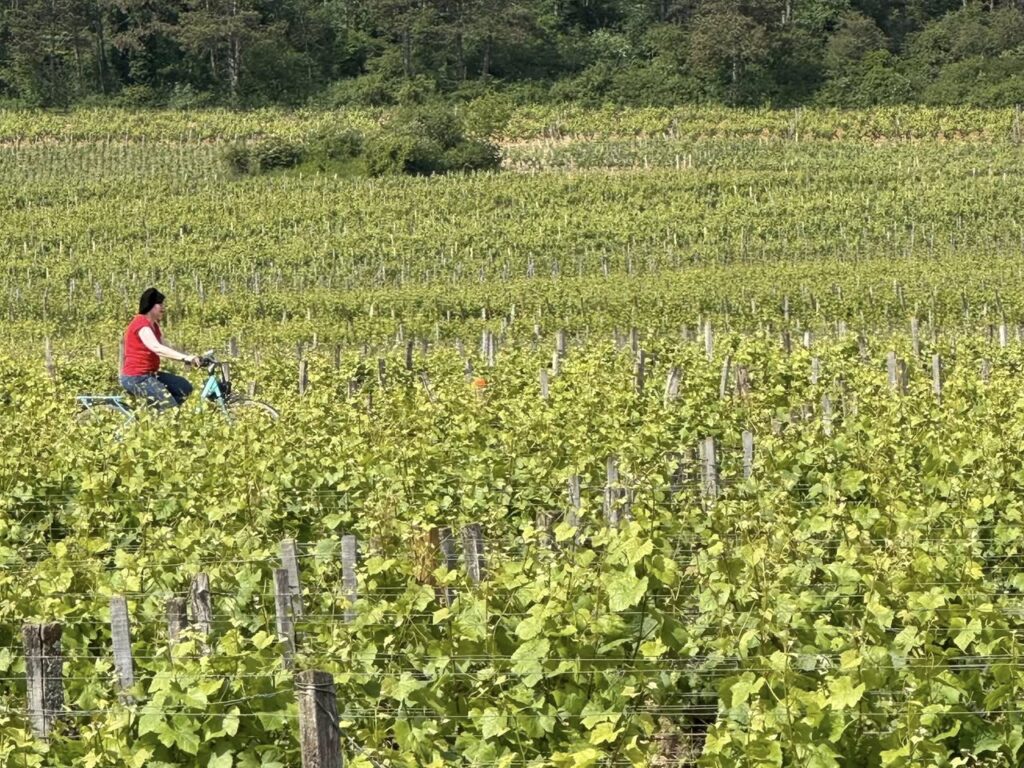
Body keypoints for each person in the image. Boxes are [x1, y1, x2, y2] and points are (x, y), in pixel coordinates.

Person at [119, 288, 201, 411]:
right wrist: (185, 358)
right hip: (136, 377)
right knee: (168, 405)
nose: (163, 308)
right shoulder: (141, 324)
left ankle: (161, 413)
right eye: (160, 304)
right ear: (150, 305)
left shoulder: (154, 325)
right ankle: (167, 417)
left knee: (184, 387)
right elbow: (156, 348)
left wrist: (190, 356)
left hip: (151, 374)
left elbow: (165, 346)